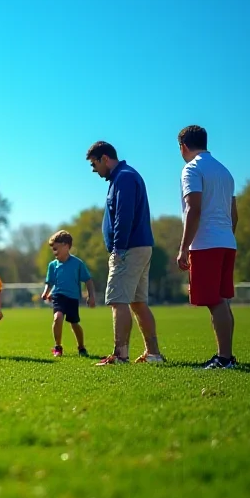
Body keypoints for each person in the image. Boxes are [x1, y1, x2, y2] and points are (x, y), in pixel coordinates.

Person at [87, 141, 165, 365]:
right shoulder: (122, 177)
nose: (94, 169)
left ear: (104, 158)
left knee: (118, 300)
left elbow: (124, 215)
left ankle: (120, 355)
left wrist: (118, 249)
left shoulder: (124, 178)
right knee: (138, 302)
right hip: (139, 247)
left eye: (94, 164)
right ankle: (153, 354)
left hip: (128, 249)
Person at [176, 125, 238, 369]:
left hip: (206, 244)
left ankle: (223, 359)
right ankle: (226, 356)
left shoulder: (192, 168)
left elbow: (194, 209)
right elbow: (234, 214)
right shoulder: (225, 172)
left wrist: (183, 248)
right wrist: (225, 236)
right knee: (221, 299)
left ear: (183, 146)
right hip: (226, 242)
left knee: (215, 301)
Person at [40, 230, 96, 357]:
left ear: (66, 246)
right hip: (58, 296)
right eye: (52, 250)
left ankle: (81, 347)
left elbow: (88, 280)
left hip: (72, 298)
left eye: (56, 249)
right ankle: (58, 347)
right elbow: (49, 282)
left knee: (74, 323)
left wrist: (91, 296)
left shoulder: (77, 263)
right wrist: (46, 292)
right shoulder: (53, 265)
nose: (54, 252)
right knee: (57, 317)